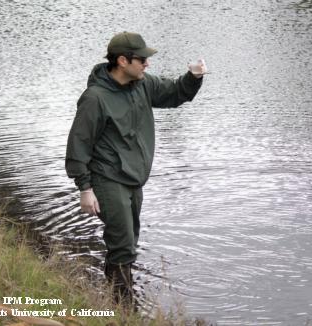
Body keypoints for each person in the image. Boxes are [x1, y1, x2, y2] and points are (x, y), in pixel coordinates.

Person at [65, 31, 206, 305]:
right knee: (122, 243)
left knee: (128, 242)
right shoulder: (95, 99)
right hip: (107, 179)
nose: (147, 64)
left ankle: (116, 299)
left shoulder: (142, 84)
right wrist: (85, 189)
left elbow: (175, 93)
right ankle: (124, 306)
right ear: (122, 61)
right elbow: (77, 147)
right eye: (141, 59)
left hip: (133, 179)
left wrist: (194, 77)